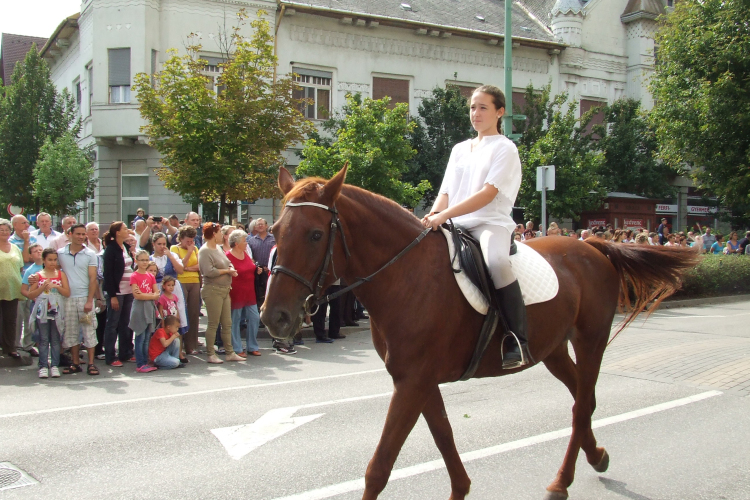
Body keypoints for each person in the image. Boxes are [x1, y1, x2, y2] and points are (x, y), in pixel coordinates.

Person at [421, 84, 530, 369]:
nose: (476, 113)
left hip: (489, 222)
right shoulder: (459, 149)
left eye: (483, 107)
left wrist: (443, 217)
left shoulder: (505, 148)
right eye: (472, 107)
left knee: (496, 262)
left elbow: (486, 194)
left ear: (500, 112)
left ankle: (516, 338)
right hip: (455, 222)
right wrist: (432, 214)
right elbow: (445, 192)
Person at [57, 224, 100, 376]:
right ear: (70, 234)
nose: (81, 237)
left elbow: (93, 278)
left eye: (83, 234)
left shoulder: (90, 254)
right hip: (67, 298)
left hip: (84, 298)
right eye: (78, 234)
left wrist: (90, 300)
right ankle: (75, 362)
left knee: (89, 331)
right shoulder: (60, 253)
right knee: (71, 331)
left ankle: (91, 363)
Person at [198, 222, 243, 364]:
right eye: (218, 232)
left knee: (227, 323)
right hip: (212, 290)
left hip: (224, 290)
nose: (220, 235)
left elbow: (227, 260)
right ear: (213, 234)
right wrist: (227, 271)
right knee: (213, 323)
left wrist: (231, 266)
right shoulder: (204, 251)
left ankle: (230, 352)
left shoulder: (218, 248)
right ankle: (210, 353)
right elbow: (208, 271)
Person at [25, 248, 70, 378]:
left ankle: (55, 365)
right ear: (44, 260)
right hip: (43, 310)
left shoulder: (61, 274)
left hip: (57, 309)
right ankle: (43, 365)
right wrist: (41, 287)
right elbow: (30, 294)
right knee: (43, 339)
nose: (52, 262)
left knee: (56, 339)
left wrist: (56, 286)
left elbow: (67, 292)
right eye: (49, 260)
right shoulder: (38, 275)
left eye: (55, 260)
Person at [102, 222, 135, 367]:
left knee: (126, 323)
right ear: (117, 232)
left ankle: (125, 352)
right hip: (117, 291)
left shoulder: (126, 248)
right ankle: (110, 355)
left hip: (129, 291)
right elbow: (108, 274)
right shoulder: (111, 249)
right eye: (124, 229)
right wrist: (113, 295)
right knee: (112, 323)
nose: (127, 230)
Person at [225, 230, 261, 357]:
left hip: (250, 292)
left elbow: (250, 267)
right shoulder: (227, 256)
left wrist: (257, 270)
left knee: (254, 318)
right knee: (235, 320)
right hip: (236, 292)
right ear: (236, 243)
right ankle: (237, 347)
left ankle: (252, 346)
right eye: (244, 241)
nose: (246, 243)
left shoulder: (245, 253)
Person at [9, 215, 38, 357]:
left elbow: (37, 257)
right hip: (19, 283)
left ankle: (28, 344)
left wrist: (29, 252)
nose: (27, 225)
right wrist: (26, 243)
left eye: (27, 222)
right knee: (18, 316)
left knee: (29, 315)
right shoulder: (11, 241)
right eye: (23, 223)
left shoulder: (33, 239)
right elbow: (26, 259)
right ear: (15, 225)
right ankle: (16, 344)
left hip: (33, 283)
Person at [171, 225, 201, 355]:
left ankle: (191, 345)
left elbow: (200, 265)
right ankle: (179, 346)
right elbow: (180, 266)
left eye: (192, 241)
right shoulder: (174, 248)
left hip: (194, 281)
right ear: (181, 239)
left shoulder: (196, 248)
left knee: (194, 313)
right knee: (181, 313)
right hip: (180, 282)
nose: (190, 243)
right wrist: (188, 253)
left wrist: (188, 268)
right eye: (187, 241)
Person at [129, 249, 159, 373]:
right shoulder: (134, 276)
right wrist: (151, 296)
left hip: (149, 307)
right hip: (139, 308)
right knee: (140, 336)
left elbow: (156, 293)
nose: (145, 262)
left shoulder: (150, 276)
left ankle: (145, 362)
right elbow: (137, 295)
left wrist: (149, 295)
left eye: (146, 260)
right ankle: (140, 363)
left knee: (147, 336)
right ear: (136, 261)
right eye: (142, 260)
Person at [0, 219, 24, 360]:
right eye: (1, 230)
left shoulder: (15, 248)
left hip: (13, 288)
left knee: (11, 320)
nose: (4, 232)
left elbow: (20, 268)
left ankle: (10, 347)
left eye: (6, 230)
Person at [246, 218, 275, 315]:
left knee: (271, 294)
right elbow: (249, 256)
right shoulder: (251, 241)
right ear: (255, 227)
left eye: (262, 224)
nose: (260, 226)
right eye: (258, 225)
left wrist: (270, 266)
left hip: (270, 271)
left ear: (266, 226)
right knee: (259, 294)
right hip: (257, 272)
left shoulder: (274, 239)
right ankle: (259, 316)